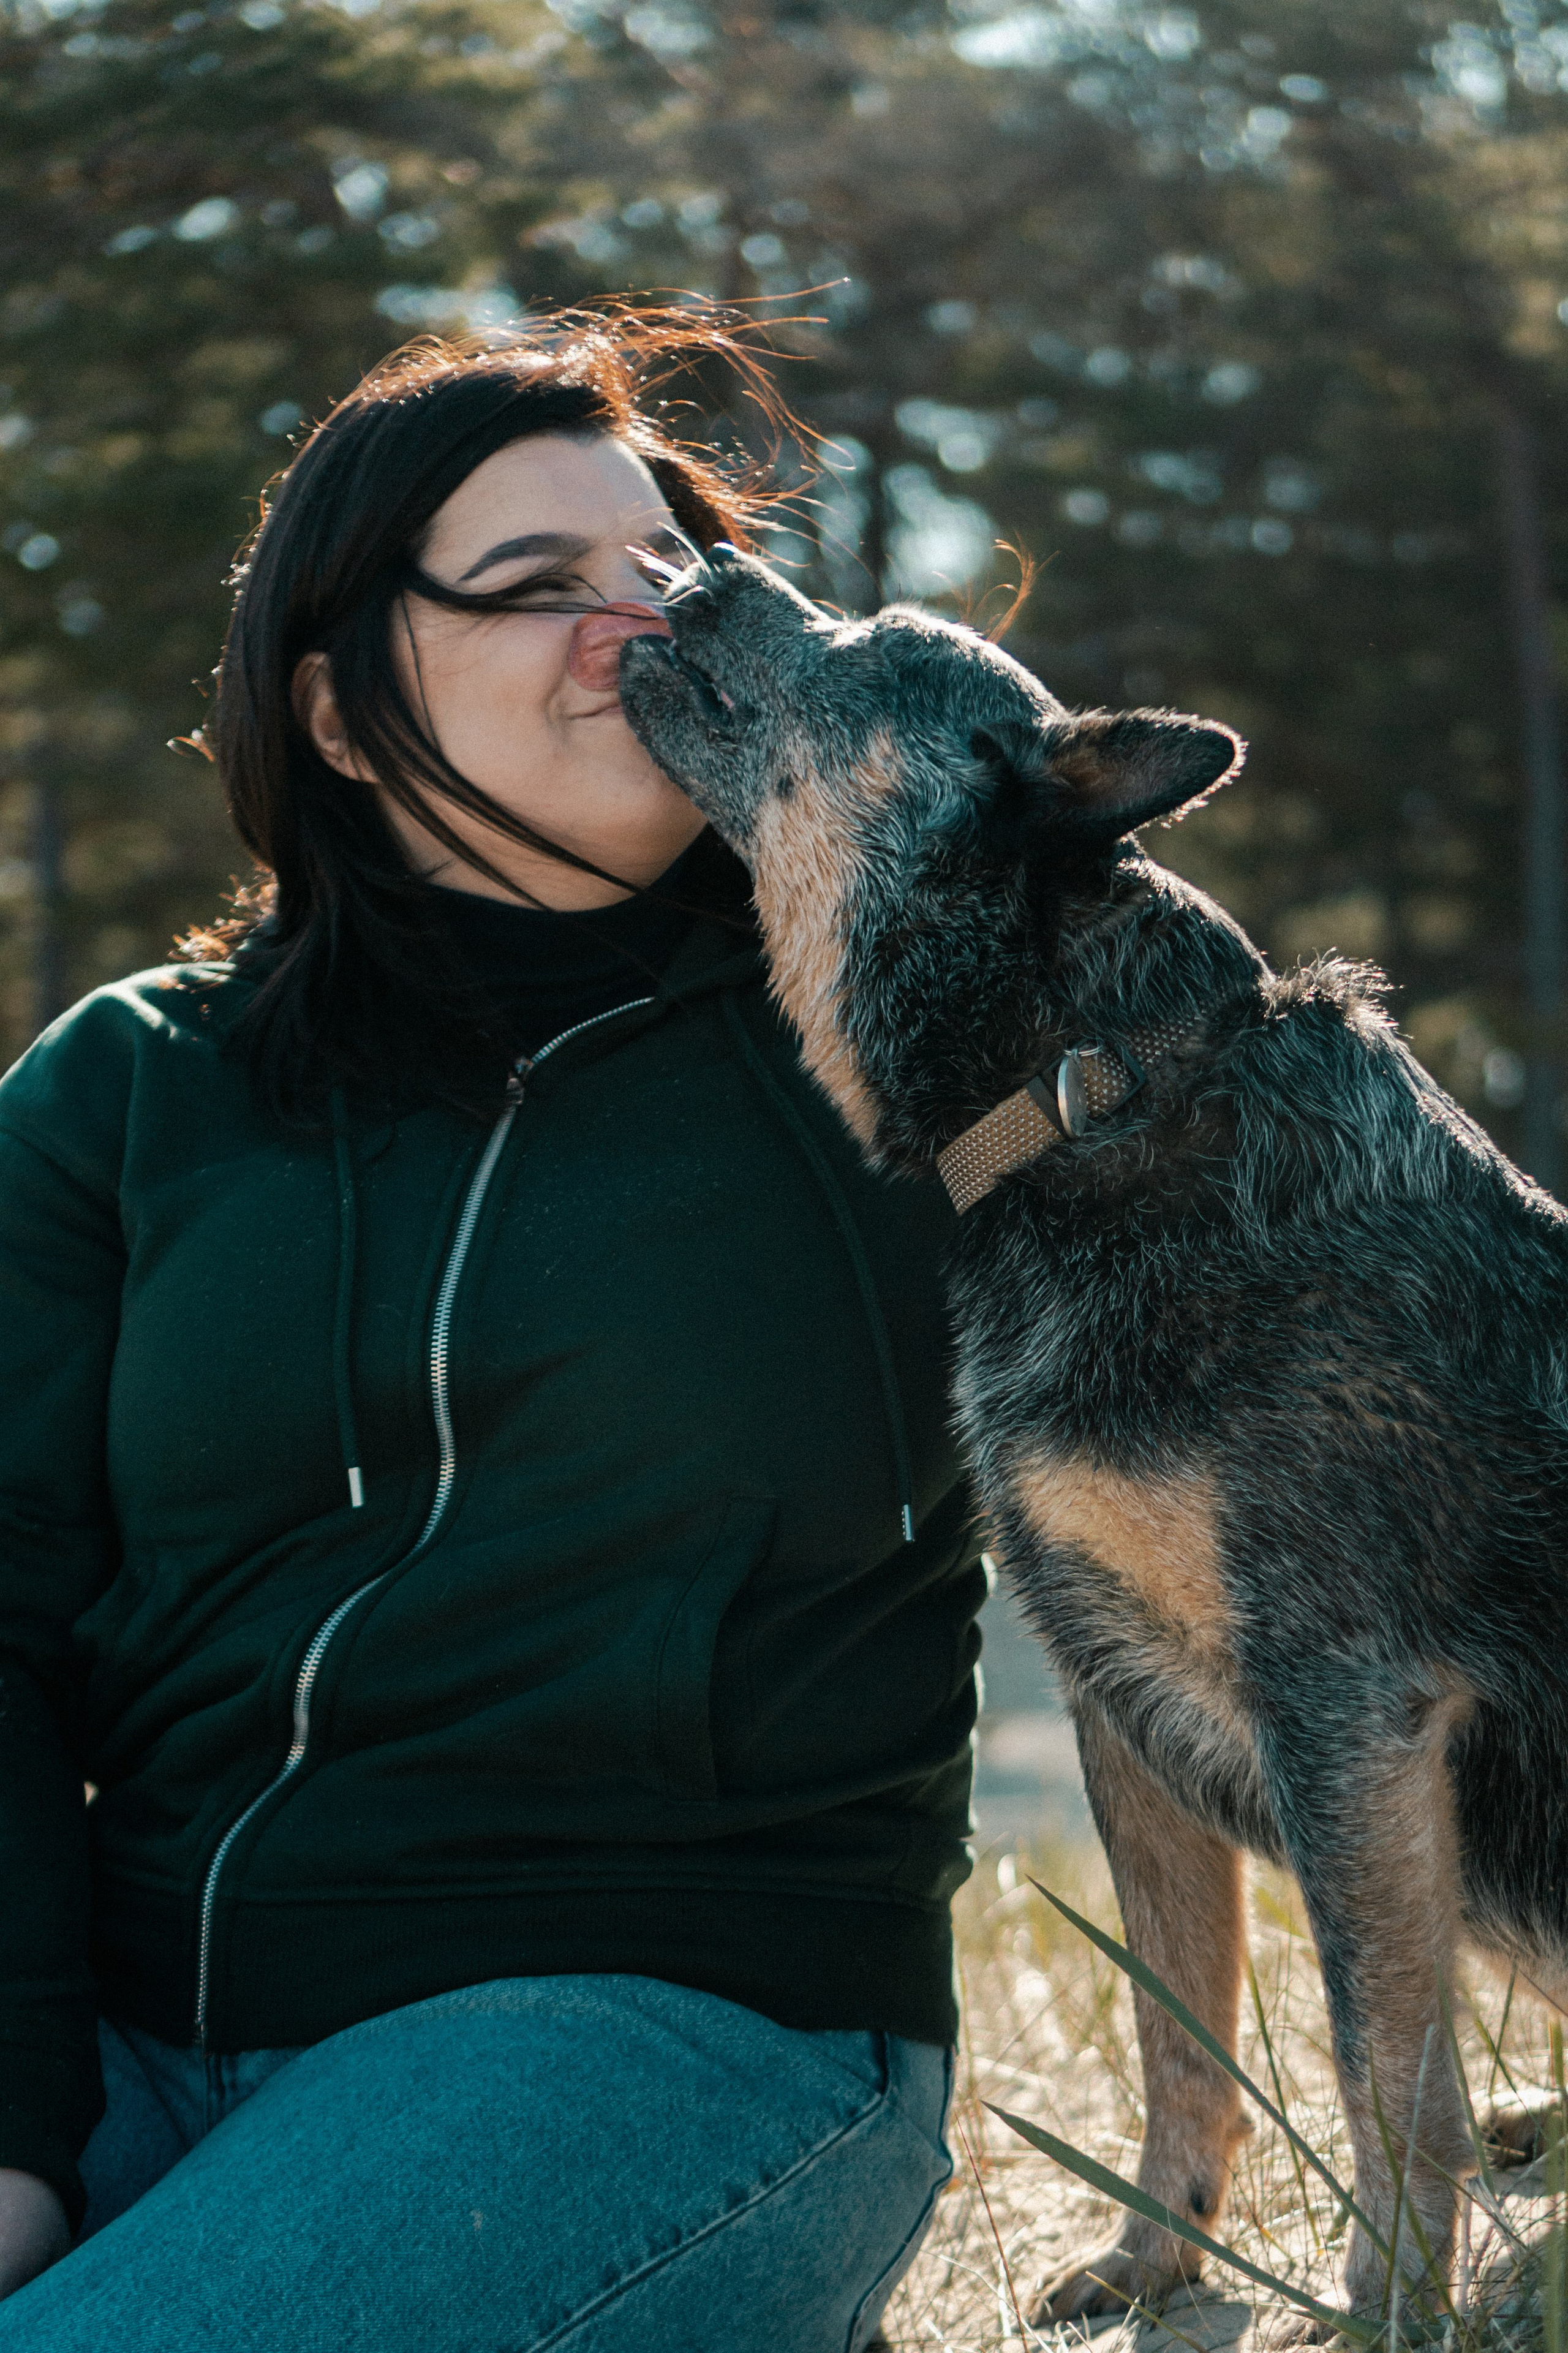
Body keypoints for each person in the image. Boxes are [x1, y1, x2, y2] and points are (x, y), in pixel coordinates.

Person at [0, 315, 983, 2351]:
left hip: (667, 2026)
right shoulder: (130, 1089)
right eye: (540, 587)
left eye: (674, 578)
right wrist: (14, 2126)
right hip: (129, 2037)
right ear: (341, 714)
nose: (640, 625)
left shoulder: (925, 1050)